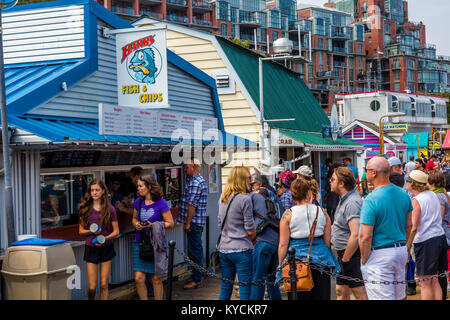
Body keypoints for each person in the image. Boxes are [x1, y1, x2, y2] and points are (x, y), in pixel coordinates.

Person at [277, 178, 340, 300]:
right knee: (322, 295)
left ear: (293, 195)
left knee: (299, 295)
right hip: (321, 258)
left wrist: (280, 264)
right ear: (309, 192)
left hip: (297, 260)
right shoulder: (322, 212)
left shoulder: (287, 215)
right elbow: (327, 241)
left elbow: (283, 244)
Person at [359, 156, 413, 300]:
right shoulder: (403, 194)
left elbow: (365, 236)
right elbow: (409, 225)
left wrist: (364, 259)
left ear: (374, 173)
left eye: (367, 170)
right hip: (400, 249)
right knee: (399, 296)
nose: (365, 173)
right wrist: (406, 248)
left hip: (379, 254)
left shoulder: (371, 199)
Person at [405, 170, 447, 300]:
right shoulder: (432, 194)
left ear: (413, 183)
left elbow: (413, 227)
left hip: (426, 242)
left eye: (408, 181)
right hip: (440, 237)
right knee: (434, 280)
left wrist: (407, 246)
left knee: (424, 283)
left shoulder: (416, 200)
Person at [132, 175, 174, 300]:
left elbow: (170, 223)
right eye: (137, 186)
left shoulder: (161, 203)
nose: (138, 188)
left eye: (140, 186)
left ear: (149, 187)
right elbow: (134, 218)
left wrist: (153, 226)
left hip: (156, 244)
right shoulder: (138, 202)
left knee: (156, 278)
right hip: (140, 243)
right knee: (139, 278)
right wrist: (136, 224)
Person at [217, 166, 256, 300]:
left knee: (225, 288)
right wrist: (254, 238)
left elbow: (219, 224)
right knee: (245, 290)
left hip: (224, 248)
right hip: (242, 249)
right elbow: (250, 228)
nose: (251, 181)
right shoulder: (245, 199)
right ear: (242, 180)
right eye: (249, 178)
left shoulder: (222, 198)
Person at [330, 167, 368, 300]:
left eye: (333, 179)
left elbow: (356, 233)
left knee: (359, 292)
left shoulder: (352, 202)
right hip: (343, 255)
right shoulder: (344, 199)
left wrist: (346, 258)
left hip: (351, 255)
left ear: (341, 184)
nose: (330, 181)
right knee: (340, 290)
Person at [78, 179, 120, 300]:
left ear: (103, 191)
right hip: (91, 248)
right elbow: (81, 231)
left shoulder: (110, 209)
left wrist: (105, 238)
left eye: (97, 190)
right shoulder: (84, 208)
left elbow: (116, 231)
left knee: (103, 284)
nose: (94, 192)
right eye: (92, 190)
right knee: (92, 287)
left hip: (106, 247)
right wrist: (92, 231)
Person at [249, 173, 281, 300]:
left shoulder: (252, 197)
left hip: (261, 241)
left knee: (258, 279)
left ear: (259, 184)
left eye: (252, 184)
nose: (250, 187)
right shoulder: (275, 197)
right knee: (272, 279)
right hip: (276, 242)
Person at [177, 159, 208, 290]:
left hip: (194, 222)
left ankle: (197, 279)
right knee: (195, 250)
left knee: (195, 251)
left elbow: (192, 205)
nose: (185, 169)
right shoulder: (195, 180)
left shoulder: (195, 182)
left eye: (187, 167)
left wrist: (187, 223)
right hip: (196, 222)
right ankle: (197, 274)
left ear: (194, 167)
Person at [428, 170, 450, 299]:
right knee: (441, 270)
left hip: (441, 234)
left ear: (432, 182)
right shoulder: (442, 194)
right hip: (443, 233)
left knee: (439, 270)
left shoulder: (439, 196)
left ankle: (441, 295)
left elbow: (439, 217)